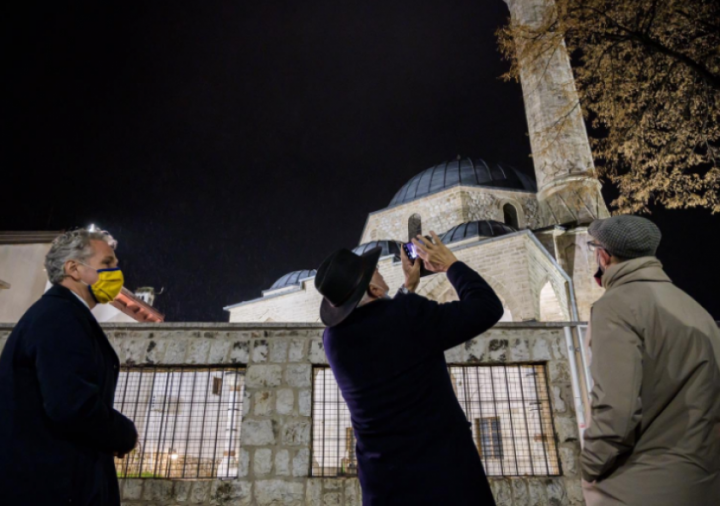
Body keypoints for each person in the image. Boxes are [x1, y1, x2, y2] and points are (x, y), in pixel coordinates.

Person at [315, 231, 503, 506]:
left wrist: (408, 288)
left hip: (385, 487)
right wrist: (450, 264)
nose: (380, 272)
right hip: (444, 482)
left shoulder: (333, 341)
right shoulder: (409, 316)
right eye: (375, 272)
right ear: (374, 290)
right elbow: (486, 307)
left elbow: (384, 330)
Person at [582, 215, 720, 505]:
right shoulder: (693, 308)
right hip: (701, 479)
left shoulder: (615, 307)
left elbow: (617, 409)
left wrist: (588, 467)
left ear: (603, 255)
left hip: (640, 484)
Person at [0, 229, 138, 506]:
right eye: (107, 263)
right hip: (52, 486)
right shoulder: (59, 317)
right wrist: (125, 434)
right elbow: (71, 405)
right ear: (74, 268)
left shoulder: (62, 314)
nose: (116, 272)